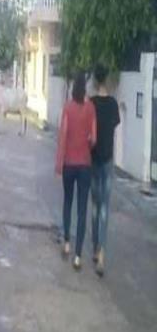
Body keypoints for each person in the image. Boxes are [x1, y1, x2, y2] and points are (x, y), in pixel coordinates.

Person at [55, 71, 97, 270]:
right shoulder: (91, 109)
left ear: (73, 88)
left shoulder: (67, 108)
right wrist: (86, 142)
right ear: (85, 88)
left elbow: (62, 136)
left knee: (67, 202)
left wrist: (59, 162)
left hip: (69, 164)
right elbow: (94, 139)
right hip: (85, 165)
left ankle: (66, 243)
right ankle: (78, 256)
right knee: (82, 210)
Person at [90, 64, 120, 277]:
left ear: (94, 80)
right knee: (104, 209)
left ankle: (95, 248)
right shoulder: (113, 104)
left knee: (95, 204)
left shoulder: (91, 104)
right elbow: (114, 127)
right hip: (108, 160)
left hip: (93, 159)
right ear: (107, 79)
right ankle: (102, 253)